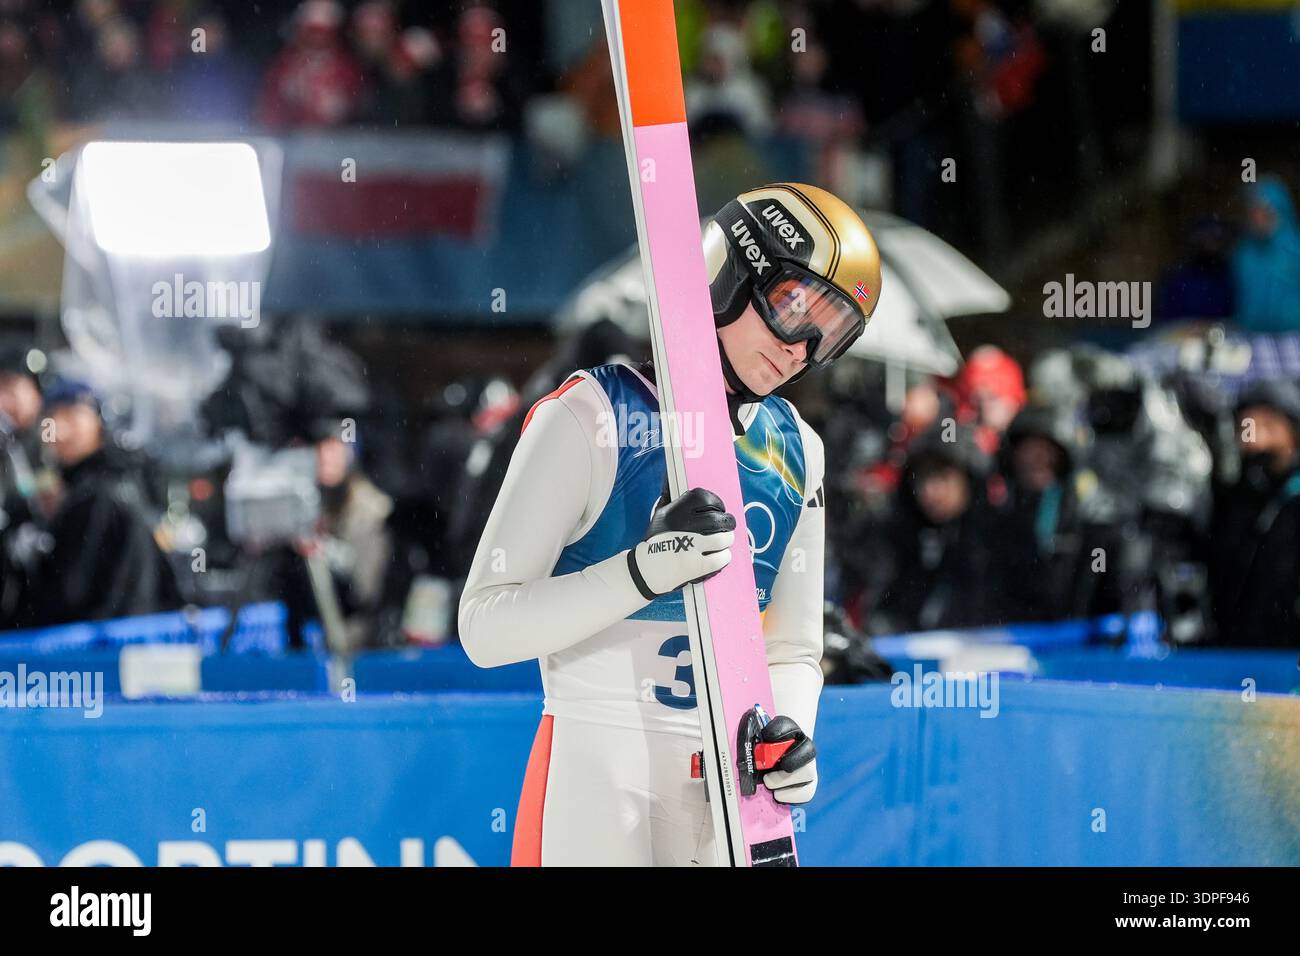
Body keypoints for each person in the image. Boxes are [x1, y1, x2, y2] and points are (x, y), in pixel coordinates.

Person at [458, 183, 881, 866]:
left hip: (725, 789)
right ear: (731, 273)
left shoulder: (798, 449)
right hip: (593, 774)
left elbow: (794, 648)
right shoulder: (593, 415)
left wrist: (792, 734)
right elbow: (485, 628)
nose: (800, 348)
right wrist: (642, 572)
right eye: (793, 307)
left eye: (828, 333)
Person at [17, 381, 180, 628]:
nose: (59, 431)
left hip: (104, 652)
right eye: (51, 420)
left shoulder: (100, 495)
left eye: (71, 417)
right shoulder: (112, 482)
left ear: (100, 421)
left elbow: (70, 595)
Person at [1206, 380, 1300, 647]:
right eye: (1247, 427)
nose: (1256, 440)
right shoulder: (1239, 495)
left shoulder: (1292, 498)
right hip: (1241, 646)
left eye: (1269, 425)